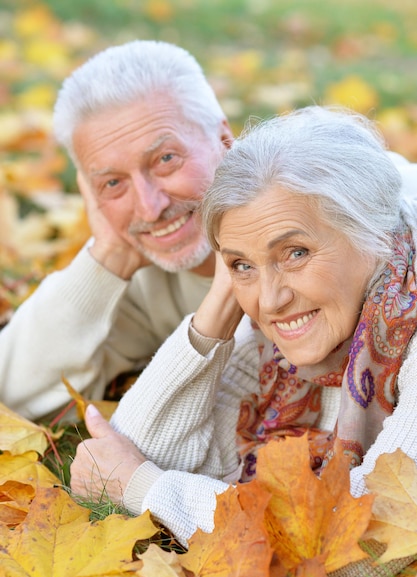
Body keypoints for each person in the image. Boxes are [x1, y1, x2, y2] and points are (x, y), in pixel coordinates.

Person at [70, 106, 417, 551]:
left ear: (375, 234)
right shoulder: (277, 331)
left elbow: (363, 545)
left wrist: (148, 490)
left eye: (295, 253)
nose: (270, 301)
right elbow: (132, 452)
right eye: (240, 263)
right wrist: (218, 305)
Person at [0, 39, 233, 420]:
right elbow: (12, 395)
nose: (150, 207)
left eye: (165, 159)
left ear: (224, 141)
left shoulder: (308, 229)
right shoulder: (144, 278)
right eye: (113, 183)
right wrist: (108, 258)